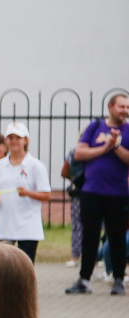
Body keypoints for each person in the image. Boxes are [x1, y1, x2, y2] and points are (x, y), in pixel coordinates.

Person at [65, 93, 129, 296]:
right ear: (110, 107)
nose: (125, 111)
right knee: (90, 236)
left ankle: (118, 279)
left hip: (118, 194)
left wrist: (116, 146)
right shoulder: (95, 126)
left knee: (117, 236)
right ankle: (84, 279)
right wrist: (104, 148)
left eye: (127, 107)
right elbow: (79, 153)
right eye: (121, 106)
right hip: (91, 191)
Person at [0, 123, 51, 263]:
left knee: (25, 267)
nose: (14, 141)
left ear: (25, 140)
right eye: (10, 137)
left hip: (28, 226)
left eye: (18, 137)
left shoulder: (36, 166)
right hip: (5, 225)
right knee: (2, 266)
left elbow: (46, 194)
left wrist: (28, 193)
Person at [60, 147, 87, 268]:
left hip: (81, 193)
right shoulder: (75, 152)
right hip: (84, 193)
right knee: (79, 225)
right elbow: (64, 171)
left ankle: (78, 256)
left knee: (79, 225)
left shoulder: (75, 152)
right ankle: (80, 255)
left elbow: (65, 172)